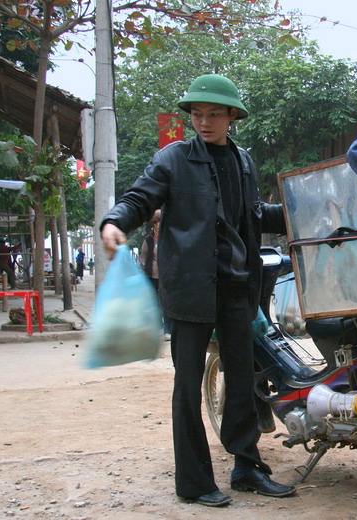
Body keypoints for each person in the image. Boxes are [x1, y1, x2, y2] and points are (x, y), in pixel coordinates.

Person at [100, 74, 292, 508]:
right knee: (187, 385)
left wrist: (303, 214)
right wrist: (115, 222)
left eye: (213, 115)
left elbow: (254, 214)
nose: (204, 122)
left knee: (243, 379)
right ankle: (193, 481)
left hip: (237, 285)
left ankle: (246, 467)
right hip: (189, 289)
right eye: (197, 115)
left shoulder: (243, 161)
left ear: (232, 117)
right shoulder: (173, 159)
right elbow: (139, 198)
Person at [140, 209, 170, 338]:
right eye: (158, 222)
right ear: (155, 223)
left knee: (167, 303)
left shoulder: (169, 238)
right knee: (155, 303)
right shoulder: (149, 240)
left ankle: (168, 330)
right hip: (151, 276)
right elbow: (143, 257)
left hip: (166, 276)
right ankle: (159, 327)